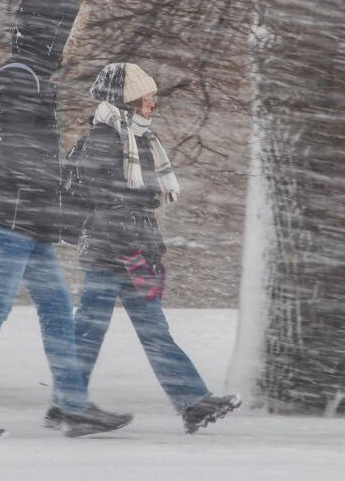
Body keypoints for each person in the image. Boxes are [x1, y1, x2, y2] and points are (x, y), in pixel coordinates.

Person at [0, 0, 133, 438]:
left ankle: (71, 406)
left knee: (58, 308)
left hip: (26, 216)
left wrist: (56, 199)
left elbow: (31, 159)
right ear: (50, 34)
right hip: (10, 217)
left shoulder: (30, 79)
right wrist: (60, 195)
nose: (71, 44)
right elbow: (16, 157)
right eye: (68, 34)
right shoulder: (20, 81)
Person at [60, 62, 240, 434]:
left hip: (129, 251)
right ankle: (68, 405)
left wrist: (147, 249)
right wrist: (137, 250)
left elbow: (139, 203)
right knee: (92, 330)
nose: (152, 106)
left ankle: (191, 402)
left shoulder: (138, 140)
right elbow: (107, 202)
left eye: (154, 99)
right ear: (126, 102)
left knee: (147, 331)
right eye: (146, 99)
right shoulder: (104, 140)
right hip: (113, 254)